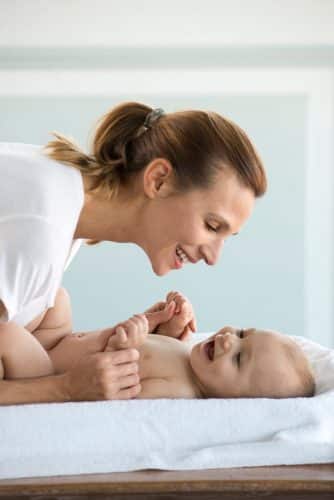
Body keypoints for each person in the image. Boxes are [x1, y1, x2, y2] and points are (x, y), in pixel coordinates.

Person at [0, 101, 267, 404]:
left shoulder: (60, 194)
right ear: (158, 180)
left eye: (226, 237)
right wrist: (65, 389)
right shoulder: (41, 231)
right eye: (212, 225)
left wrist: (114, 340)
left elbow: (37, 347)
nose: (213, 257)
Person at [1, 291, 315, 399]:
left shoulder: (179, 389)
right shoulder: (189, 357)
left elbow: (113, 390)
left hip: (42, 371)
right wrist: (168, 323)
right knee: (56, 299)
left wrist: (123, 348)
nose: (229, 340)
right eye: (244, 333)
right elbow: (158, 346)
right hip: (55, 344)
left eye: (238, 359)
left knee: (9, 336)